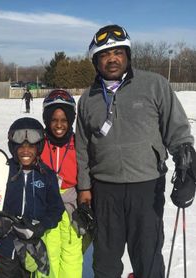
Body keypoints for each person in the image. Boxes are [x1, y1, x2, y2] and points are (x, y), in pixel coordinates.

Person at [75, 24, 195, 278]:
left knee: (148, 257)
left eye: (118, 52)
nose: (112, 59)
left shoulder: (154, 85)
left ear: (127, 55)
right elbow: (83, 147)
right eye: (105, 55)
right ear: (96, 61)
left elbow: (177, 131)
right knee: (105, 261)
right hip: (105, 190)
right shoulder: (88, 99)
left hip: (146, 187)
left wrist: (187, 170)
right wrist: (84, 189)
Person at [0, 117, 65, 278]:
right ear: (13, 146)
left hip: (33, 243)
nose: (25, 151)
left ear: (39, 146)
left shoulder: (46, 174)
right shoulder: (4, 171)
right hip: (7, 243)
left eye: (31, 146)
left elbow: (56, 208)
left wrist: (42, 226)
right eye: (20, 146)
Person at [39, 89, 82, 278]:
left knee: (71, 254)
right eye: (54, 120)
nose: (59, 125)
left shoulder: (78, 143)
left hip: (71, 205)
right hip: (46, 204)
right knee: (48, 252)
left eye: (64, 120)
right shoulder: (38, 142)